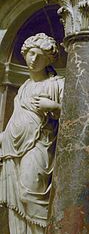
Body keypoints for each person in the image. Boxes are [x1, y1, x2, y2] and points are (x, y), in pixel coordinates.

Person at [0, 33, 63, 234]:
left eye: (39, 55)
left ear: (48, 59)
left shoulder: (57, 84)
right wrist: (3, 137)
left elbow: (76, 118)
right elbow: (16, 117)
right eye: (30, 54)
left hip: (39, 146)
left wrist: (54, 106)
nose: (33, 59)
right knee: (15, 200)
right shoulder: (24, 87)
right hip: (13, 147)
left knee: (30, 194)